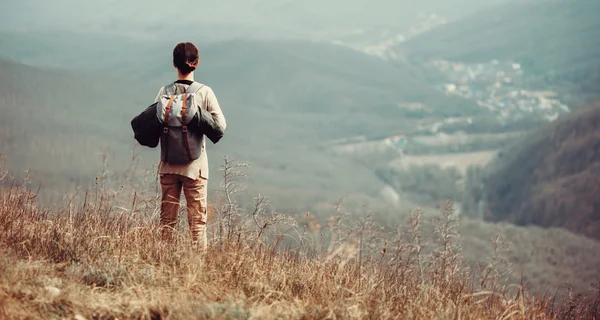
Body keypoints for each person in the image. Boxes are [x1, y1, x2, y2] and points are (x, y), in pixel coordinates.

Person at [153, 42, 226, 250]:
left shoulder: (163, 92)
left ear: (174, 63)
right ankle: (195, 271)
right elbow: (221, 126)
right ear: (197, 62)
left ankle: (163, 264)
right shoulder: (204, 92)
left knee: (167, 223)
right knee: (197, 225)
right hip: (195, 168)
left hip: (167, 166)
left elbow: (153, 123)